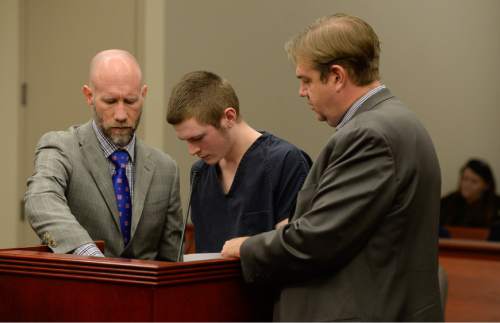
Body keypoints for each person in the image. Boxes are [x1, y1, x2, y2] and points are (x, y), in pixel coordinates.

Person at [221, 13, 443, 321]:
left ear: (337, 76)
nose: (302, 92)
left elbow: (319, 241)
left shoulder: (369, 135)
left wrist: (247, 248)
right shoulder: (396, 121)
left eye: (306, 80)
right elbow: (355, 225)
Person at [24, 49, 183, 261]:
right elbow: (41, 202)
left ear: (143, 94)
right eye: (109, 101)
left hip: (145, 293)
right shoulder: (61, 148)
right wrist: (91, 256)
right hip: (82, 288)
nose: (120, 115)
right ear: (89, 96)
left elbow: (172, 262)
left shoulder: (166, 169)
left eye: (130, 101)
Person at [166, 71, 311, 253]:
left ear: (229, 117)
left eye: (198, 138)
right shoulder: (200, 172)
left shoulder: (285, 162)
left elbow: (294, 248)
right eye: (185, 140)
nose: (192, 150)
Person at [440, 158, 500, 228]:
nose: (467, 185)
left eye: (474, 181)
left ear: (486, 185)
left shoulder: (496, 205)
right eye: (465, 179)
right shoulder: (446, 203)